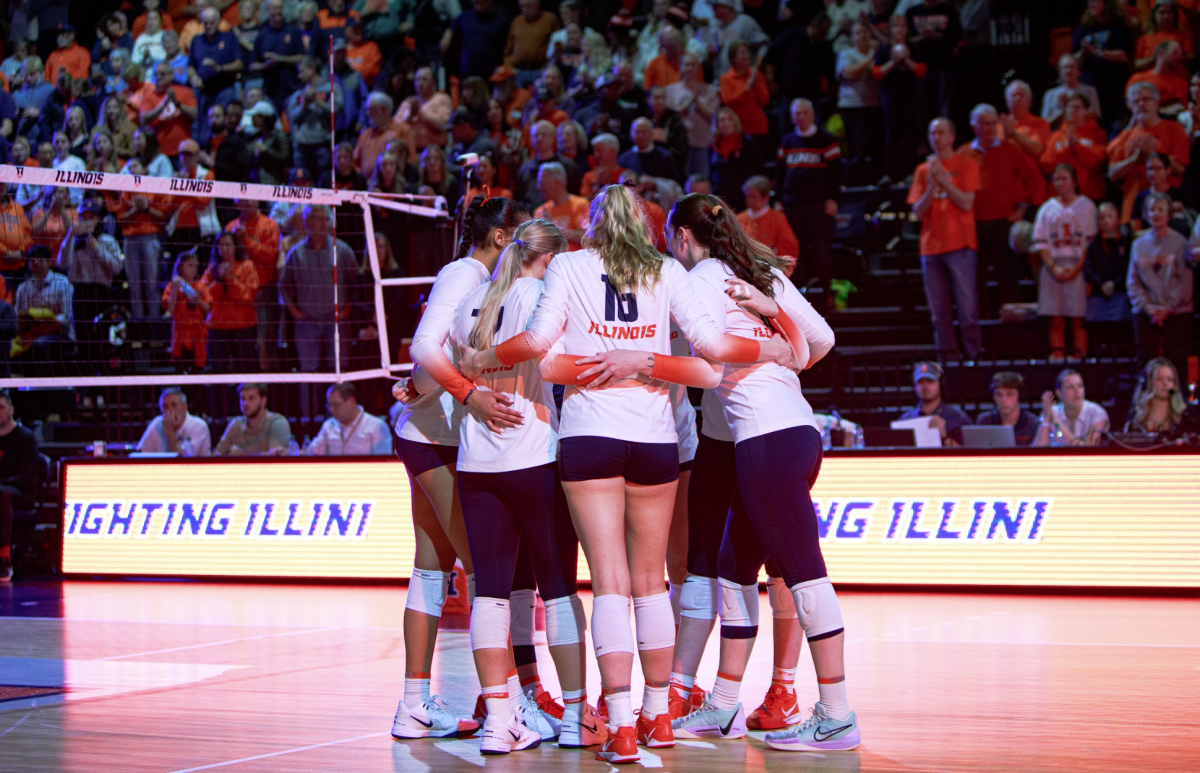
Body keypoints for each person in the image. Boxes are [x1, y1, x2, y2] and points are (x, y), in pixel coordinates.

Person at [455, 184, 795, 762]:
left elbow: (541, 347)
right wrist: (767, 346)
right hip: (654, 440)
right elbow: (711, 362)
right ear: (643, 222)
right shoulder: (666, 269)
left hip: (589, 437)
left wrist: (482, 361)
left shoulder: (568, 264)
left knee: (610, 584)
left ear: (592, 222)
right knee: (650, 584)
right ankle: (658, 716)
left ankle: (620, 726)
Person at [661, 193, 855, 754]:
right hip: (796, 432)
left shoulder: (696, 280)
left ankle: (837, 715)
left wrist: (642, 363)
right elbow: (821, 341)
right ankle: (723, 707)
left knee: (804, 574)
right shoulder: (760, 272)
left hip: (767, 442)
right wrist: (777, 337)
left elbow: (708, 360)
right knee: (734, 568)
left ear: (680, 239)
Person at [404, 218, 601, 752]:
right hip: (534, 457)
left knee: (488, 594)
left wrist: (445, 389)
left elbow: (429, 362)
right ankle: (578, 717)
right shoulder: (542, 294)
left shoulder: (471, 298)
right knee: (557, 589)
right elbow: (554, 360)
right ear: (553, 257)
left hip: (477, 464)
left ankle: (499, 718)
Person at [388, 196, 530, 742]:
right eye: (519, 235)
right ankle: (507, 708)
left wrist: (418, 387)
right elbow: (429, 347)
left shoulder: (485, 282)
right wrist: (468, 394)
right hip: (436, 441)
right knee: (484, 573)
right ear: (500, 239)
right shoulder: (465, 273)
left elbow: (432, 360)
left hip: (428, 434)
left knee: (430, 570)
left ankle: (413, 704)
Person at [908, 117, 983, 360]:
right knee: (938, 313)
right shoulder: (922, 170)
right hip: (930, 248)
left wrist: (943, 180)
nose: (935, 137)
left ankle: (973, 356)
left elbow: (966, 202)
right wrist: (931, 186)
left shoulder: (966, 164)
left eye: (940, 132)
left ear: (952, 136)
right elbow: (918, 211)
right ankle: (948, 359)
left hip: (960, 244)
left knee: (967, 309)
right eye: (932, 133)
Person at [958, 103, 1041, 318]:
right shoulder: (965, 153)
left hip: (1004, 222)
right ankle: (982, 320)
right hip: (975, 225)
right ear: (974, 126)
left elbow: (1032, 180)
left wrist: (1022, 208)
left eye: (993, 123)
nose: (990, 128)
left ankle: (1009, 322)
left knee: (1008, 274)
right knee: (977, 276)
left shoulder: (1010, 150)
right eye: (984, 123)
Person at [278, 204, 357, 374]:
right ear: (307, 221)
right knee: (308, 374)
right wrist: (294, 312)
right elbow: (283, 286)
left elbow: (357, 283)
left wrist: (349, 308)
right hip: (307, 322)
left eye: (326, 219)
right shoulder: (296, 253)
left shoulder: (342, 250)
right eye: (317, 218)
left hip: (336, 321)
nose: (323, 223)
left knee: (339, 371)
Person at [777, 98, 840, 303]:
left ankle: (826, 292)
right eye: (797, 113)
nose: (801, 117)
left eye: (805, 112)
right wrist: (778, 199)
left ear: (812, 114)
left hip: (817, 204)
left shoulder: (826, 140)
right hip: (792, 204)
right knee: (794, 249)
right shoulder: (787, 142)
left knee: (821, 248)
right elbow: (779, 173)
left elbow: (836, 173)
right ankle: (796, 294)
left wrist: (833, 198)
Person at [1033, 164, 1097, 361]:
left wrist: (1077, 268)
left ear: (1074, 182)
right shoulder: (1047, 208)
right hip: (1054, 267)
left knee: (1077, 319)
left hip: (1077, 265)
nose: (1060, 183)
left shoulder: (1087, 206)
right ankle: (1058, 358)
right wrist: (1053, 266)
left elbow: (1089, 242)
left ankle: (1080, 359)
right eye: (1056, 179)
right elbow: (1041, 241)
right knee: (1056, 319)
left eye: (1064, 178)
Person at [1128, 191, 1194, 374]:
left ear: (1169, 214)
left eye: (1160, 209)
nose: (1156, 214)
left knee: (1177, 363)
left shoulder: (1181, 243)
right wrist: (1147, 307)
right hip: (1147, 312)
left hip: (1176, 311)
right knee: (1146, 365)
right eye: (1152, 210)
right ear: (1145, 214)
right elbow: (1132, 281)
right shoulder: (1138, 245)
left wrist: (1167, 308)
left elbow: (1185, 280)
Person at [1107, 82, 1190, 224]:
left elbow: (1180, 167)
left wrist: (1153, 153)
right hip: (1134, 210)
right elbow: (1112, 173)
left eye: (1146, 99)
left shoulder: (1174, 129)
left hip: (1166, 208)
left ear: (1157, 102)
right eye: (1136, 101)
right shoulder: (1125, 136)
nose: (1141, 104)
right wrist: (1134, 158)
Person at [56, 198, 122, 371]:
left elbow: (116, 268)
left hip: (101, 293)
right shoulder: (73, 242)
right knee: (83, 340)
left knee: (100, 339)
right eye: (83, 217)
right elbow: (62, 264)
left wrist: (95, 246)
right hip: (80, 293)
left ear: (98, 219)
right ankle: (85, 382)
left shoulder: (107, 240)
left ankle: (101, 380)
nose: (87, 221)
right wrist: (71, 235)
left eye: (91, 217)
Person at [226, 199, 282, 371]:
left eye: (250, 200)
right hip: (237, 294)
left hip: (264, 292)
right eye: (243, 202)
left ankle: (267, 377)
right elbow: (223, 255)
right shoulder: (231, 227)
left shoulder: (269, 225)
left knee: (265, 338)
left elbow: (271, 256)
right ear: (237, 204)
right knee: (240, 339)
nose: (247, 204)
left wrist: (246, 240)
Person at [872, 13, 925, 183]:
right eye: (896, 26)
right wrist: (894, 62)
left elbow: (922, 71)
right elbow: (877, 73)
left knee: (910, 135)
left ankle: (911, 173)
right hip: (891, 99)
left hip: (911, 97)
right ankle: (890, 174)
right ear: (890, 29)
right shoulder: (884, 49)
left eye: (902, 26)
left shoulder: (914, 48)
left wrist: (907, 60)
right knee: (891, 136)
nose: (899, 30)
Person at [114, 161, 169, 318]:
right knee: (134, 287)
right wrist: (135, 209)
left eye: (136, 166)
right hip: (130, 241)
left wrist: (146, 208)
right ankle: (138, 326)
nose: (132, 170)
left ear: (145, 169)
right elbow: (120, 219)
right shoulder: (125, 191)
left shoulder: (155, 187)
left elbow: (163, 217)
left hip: (150, 238)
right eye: (130, 168)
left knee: (152, 284)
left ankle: (154, 325)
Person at [201, 231, 259, 373]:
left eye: (228, 244)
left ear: (235, 247)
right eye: (220, 245)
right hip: (217, 328)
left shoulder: (247, 266)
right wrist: (220, 280)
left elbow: (247, 296)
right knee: (218, 371)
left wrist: (231, 279)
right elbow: (206, 297)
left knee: (245, 369)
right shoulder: (211, 270)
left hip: (243, 327)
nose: (224, 248)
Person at [1072, 0, 1133, 128]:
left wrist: (1097, 52)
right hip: (1091, 84)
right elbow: (1075, 60)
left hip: (1114, 83)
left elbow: (1124, 56)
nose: (1091, 4)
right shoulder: (1083, 28)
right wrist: (1083, 53)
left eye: (1095, 1)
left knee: (1115, 123)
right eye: (1089, 2)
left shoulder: (1118, 25)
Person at [12, 245, 74, 369]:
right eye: (32, 260)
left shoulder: (62, 283)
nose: (36, 263)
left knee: (40, 344)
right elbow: (18, 316)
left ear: (48, 262)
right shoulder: (23, 288)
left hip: (59, 333)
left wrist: (45, 326)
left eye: (40, 259)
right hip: (30, 334)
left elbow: (66, 316)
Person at [0, 390, 40, 582]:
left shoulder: (25, 438)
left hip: (21, 494)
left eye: (1, 407)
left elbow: (25, 477)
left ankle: (4, 559)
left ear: (11, 409)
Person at [1041, 93, 1109, 202]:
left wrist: (1077, 146)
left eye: (1077, 107)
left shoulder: (1098, 134)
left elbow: (1098, 164)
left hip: (1090, 193)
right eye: (1070, 107)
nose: (1073, 110)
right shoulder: (1056, 136)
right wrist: (1067, 148)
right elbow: (1046, 164)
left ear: (1086, 111)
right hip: (1060, 196)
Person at [836, 22, 881, 185]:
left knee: (874, 147)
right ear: (852, 37)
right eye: (858, 33)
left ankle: (872, 182)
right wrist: (870, 58)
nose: (862, 36)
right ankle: (853, 185)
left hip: (874, 105)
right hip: (852, 106)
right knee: (857, 147)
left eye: (865, 32)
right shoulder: (847, 54)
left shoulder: (877, 53)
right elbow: (849, 74)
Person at [664, 52, 720, 178]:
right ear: (681, 67)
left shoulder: (710, 90)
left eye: (693, 65)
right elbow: (670, 117)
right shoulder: (670, 91)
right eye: (686, 65)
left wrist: (699, 104)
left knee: (701, 181)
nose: (689, 68)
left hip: (703, 145)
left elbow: (714, 118)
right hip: (678, 146)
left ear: (698, 67)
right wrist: (686, 105)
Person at [906, 0, 961, 129]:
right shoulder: (912, 12)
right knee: (922, 105)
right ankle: (924, 142)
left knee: (944, 105)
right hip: (919, 66)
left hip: (944, 65)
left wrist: (936, 35)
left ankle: (946, 135)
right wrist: (922, 37)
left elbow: (957, 37)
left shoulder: (949, 11)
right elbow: (906, 39)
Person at [287, 56, 343, 180]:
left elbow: (336, 111)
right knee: (303, 183)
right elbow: (293, 117)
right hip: (302, 147)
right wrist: (305, 104)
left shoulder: (331, 89)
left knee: (324, 182)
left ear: (312, 69)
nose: (299, 76)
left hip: (322, 145)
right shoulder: (298, 94)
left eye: (302, 71)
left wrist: (318, 101)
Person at [898, 360, 971, 446]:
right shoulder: (906, 420)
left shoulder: (958, 418)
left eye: (930, 381)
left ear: (940, 384)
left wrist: (944, 436)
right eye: (920, 382)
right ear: (914, 386)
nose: (925, 386)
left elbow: (970, 454)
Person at [307, 382, 392, 455]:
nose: (331, 409)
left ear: (351, 401)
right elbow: (312, 454)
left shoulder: (376, 426)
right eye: (329, 405)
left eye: (336, 404)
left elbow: (384, 461)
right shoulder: (329, 426)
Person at [162, 249, 212, 371]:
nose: (193, 269)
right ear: (180, 267)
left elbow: (208, 309)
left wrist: (198, 300)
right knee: (180, 369)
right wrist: (175, 289)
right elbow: (170, 309)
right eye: (190, 265)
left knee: (197, 371)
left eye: (195, 266)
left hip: (197, 335)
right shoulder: (171, 286)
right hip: (180, 334)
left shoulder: (202, 286)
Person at [140, 60, 199, 160]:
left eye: (162, 74)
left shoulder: (184, 91)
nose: (158, 77)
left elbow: (194, 115)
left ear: (171, 75)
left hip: (182, 150)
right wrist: (164, 104)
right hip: (159, 152)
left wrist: (177, 103)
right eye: (156, 74)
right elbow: (143, 119)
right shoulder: (148, 96)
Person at [215, 383, 294, 455]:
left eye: (251, 398)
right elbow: (217, 454)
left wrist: (242, 454)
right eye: (243, 398)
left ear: (263, 401)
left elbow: (275, 458)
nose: (246, 403)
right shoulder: (236, 425)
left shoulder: (277, 422)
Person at [1037, 369, 1110, 446]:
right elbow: (1038, 451)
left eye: (1080, 386)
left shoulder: (1097, 413)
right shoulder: (1052, 411)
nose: (1077, 390)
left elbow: (1087, 448)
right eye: (1070, 387)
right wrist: (1046, 419)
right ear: (1059, 393)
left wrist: (1056, 420)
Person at [1085, 202, 1132, 321]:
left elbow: (1129, 269)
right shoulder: (1093, 243)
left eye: (1110, 216)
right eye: (1101, 217)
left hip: (1121, 294)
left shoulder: (1126, 243)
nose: (1105, 220)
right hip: (1097, 295)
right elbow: (1088, 269)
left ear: (1118, 219)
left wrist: (1115, 284)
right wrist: (1100, 284)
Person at [710, 107, 762, 213]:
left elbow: (759, 169)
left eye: (729, 119)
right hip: (721, 197)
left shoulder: (748, 142)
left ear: (735, 122)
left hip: (744, 196)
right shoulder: (712, 147)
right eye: (722, 120)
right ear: (717, 124)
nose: (726, 123)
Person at [444, 0, 511, 79]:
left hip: (491, 72)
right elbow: (452, 28)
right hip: (468, 71)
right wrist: (447, 36)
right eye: (476, 2)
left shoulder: (501, 19)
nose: (478, 4)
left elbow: (507, 46)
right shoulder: (465, 17)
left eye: (482, 2)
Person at [737, 175, 800, 260]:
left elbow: (791, 248)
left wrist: (771, 254)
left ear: (766, 198)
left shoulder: (777, 219)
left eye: (754, 197)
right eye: (748, 196)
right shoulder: (739, 219)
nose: (750, 200)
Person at [137, 387, 213, 456]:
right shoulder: (156, 423)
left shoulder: (198, 426)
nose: (169, 410)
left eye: (174, 405)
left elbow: (184, 463)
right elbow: (141, 454)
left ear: (185, 407)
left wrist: (170, 432)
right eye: (165, 406)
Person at [720, 41, 771, 141]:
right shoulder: (726, 78)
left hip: (758, 127)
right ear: (733, 57)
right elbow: (729, 101)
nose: (745, 55)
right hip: (738, 128)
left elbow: (765, 100)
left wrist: (756, 84)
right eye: (741, 53)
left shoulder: (756, 75)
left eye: (746, 52)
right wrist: (746, 88)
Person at [1125, 357, 1189, 433]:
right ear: (1148, 383)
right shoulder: (1136, 416)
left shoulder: (1184, 416)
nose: (1165, 384)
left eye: (1170, 379)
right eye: (1160, 379)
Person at [533, 163, 589, 250]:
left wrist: (554, 228)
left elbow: (587, 237)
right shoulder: (540, 211)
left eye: (542, 183)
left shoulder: (580, 205)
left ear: (557, 182)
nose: (538, 187)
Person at [976, 371, 1041, 446]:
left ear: (1019, 396)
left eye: (1009, 394)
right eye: (999, 395)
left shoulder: (1032, 423)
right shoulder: (985, 421)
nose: (1004, 400)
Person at [1131, 152, 1189, 233]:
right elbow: (1136, 230)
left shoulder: (1180, 194)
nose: (1153, 173)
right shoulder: (1140, 197)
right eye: (1150, 169)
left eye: (1157, 168)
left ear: (1168, 170)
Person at [1127, 40, 1189, 111]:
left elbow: (1183, 110)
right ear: (1161, 54)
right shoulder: (1138, 79)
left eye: (1181, 54)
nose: (1179, 57)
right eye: (1175, 53)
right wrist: (1163, 110)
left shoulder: (1182, 83)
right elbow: (1131, 107)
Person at [1042, 54, 1102, 125]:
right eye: (1064, 67)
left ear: (1079, 71)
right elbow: (1045, 122)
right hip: (1059, 133)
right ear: (1060, 72)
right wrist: (1063, 110)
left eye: (1072, 67)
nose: (1068, 71)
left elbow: (1095, 116)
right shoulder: (1050, 94)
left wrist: (1076, 108)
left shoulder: (1090, 91)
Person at [619, 117, 681, 183]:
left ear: (651, 133)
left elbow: (674, 185)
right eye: (637, 132)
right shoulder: (624, 158)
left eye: (644, 132)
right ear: (631, 133)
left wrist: (654, 183)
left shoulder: (665, 156)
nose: (640, 136)